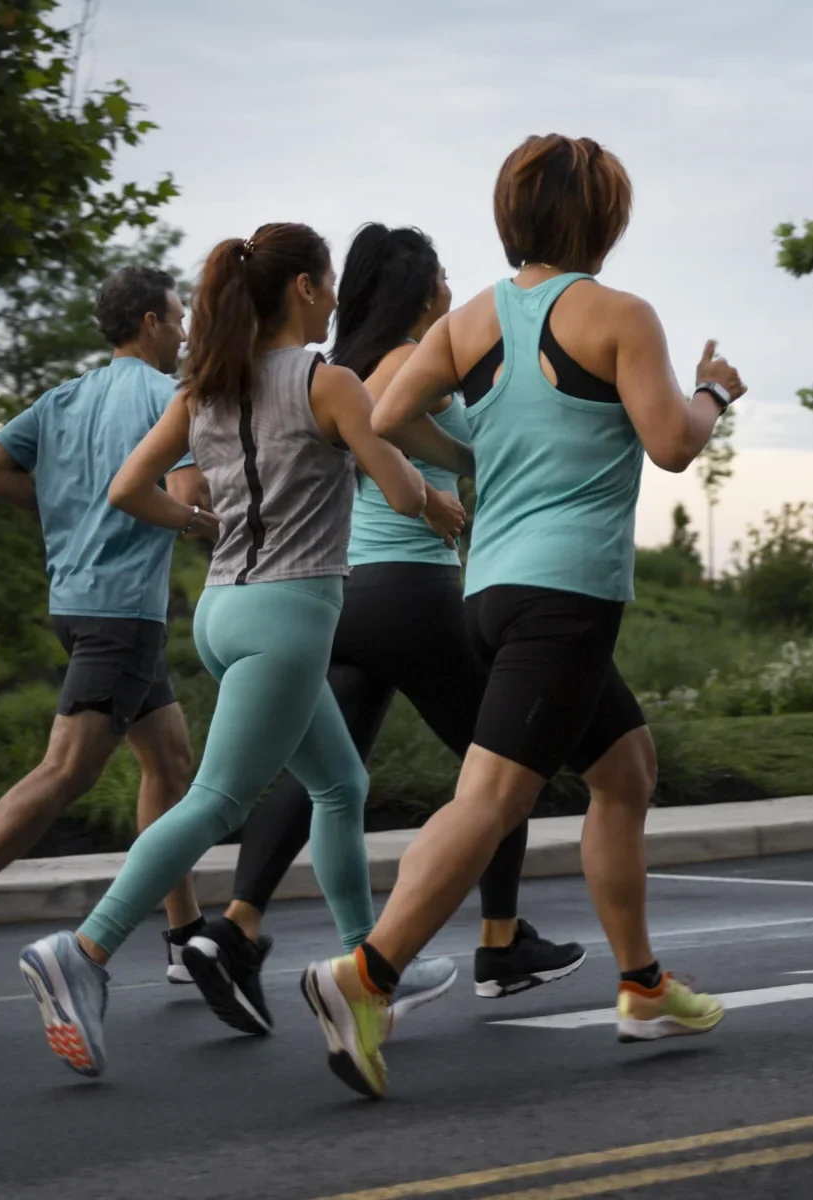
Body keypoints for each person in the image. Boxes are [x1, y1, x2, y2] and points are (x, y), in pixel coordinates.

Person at [299, 135, 747, 1098]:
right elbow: (671, 444)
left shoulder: (469, 323)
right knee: (493, 799)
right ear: (605, 218)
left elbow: (380, 414)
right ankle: (363, 978)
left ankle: (640, 985)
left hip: (491, 590)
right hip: (566, 598)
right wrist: (714, 391)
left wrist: (469, 461)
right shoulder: (621, 316)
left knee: (625, 771)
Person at [17, 223, 456, 1078]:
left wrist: (201, 523)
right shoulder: (326, 382)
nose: (335, 297)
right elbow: (399, 485)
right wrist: (442, 506)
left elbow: (126, 489)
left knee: (340, 782)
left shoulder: (205, 386)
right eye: (327, 283)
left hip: (222, 611)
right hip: (290, 615)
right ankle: (84, 951)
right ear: (302, 289)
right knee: (217, 801)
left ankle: (371, 961)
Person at [190, 223, 585, 1035]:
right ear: (420, 290)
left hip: (346, 598)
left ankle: (238, 925)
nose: (448, 289)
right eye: (440, 277)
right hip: (412, 593)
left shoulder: (347, 366)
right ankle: (500, 942)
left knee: (324, 776)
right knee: (504, 762)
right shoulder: (409, 366)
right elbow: (463, 447)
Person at [0, 267, 206, 1006]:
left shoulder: (66, 397)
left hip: (76, 603)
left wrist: (64, 512)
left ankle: (186, 937)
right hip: (122, 611)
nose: (185, 331)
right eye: (178, 318)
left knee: (169, 758)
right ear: (152, 323)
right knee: (68, 770)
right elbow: (188, 498)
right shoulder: (168, 399)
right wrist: (205, 517)